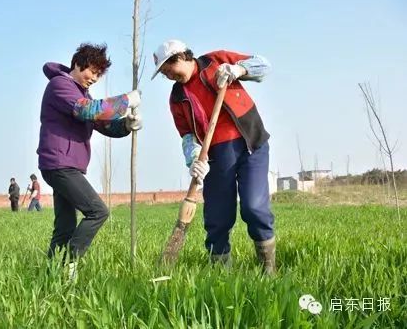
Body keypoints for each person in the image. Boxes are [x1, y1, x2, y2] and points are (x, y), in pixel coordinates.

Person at [151, 40, 276, 274]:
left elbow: (264, 64)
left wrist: (239, 69)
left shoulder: (216, 60)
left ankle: (268, 268)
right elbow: (187, 135)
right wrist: (194, 159)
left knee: (254, 207)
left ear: (181, 57)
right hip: (216, 157)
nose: (168, 76)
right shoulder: (177, 98)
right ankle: (221, 275)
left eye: (169, 69)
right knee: (217, 217)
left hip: (251, 144)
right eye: (164, 74)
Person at [37, 42, 142, 279]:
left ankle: (50, 275)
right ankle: (70, 264)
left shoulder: (82, 93)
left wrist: (126, 124)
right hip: (59, 163)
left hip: (68, 165)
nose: (94, 78)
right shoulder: (60, 85)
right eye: (92, 72)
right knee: (98, 211)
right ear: (77, 63)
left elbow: (101, 122)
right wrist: (125, 100)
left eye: (98, 74)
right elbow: (88, 111)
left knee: (64, 227)